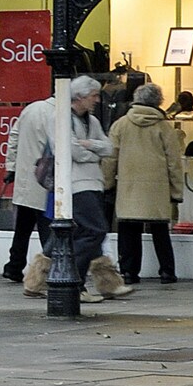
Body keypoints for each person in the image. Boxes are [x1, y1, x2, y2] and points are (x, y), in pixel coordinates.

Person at [40, 74, 128, 301]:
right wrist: (93, 153)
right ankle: (72, 282)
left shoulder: (93, 121)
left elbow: (109, 148)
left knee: (81, 233)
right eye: (94, 95)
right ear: (79, 96)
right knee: (95, 230)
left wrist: (89, 144)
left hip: (94, 183)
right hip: (75, 185)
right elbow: (71, 151)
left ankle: (44, 279)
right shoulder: (60, 118)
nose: (97, 100)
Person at [109, 80, 183, 285]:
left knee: (128, 230)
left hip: (129, 186)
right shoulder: (164, 127)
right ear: (158, 101)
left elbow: (110, 158)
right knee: (160, 231)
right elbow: (174, 162)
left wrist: (107, 183)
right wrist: (176, 191)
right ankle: (167, 271)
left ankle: (129, 271)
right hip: (157, 188)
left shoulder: (121, 125)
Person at [3, 92, 54, 284]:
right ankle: (48, 269)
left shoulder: (31, 109)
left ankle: (14, 266)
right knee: (47, 227)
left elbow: (14, 137)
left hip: (26, 178)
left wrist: (11, 166)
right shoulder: (60, 115)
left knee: (22, 228)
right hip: (45, 179)